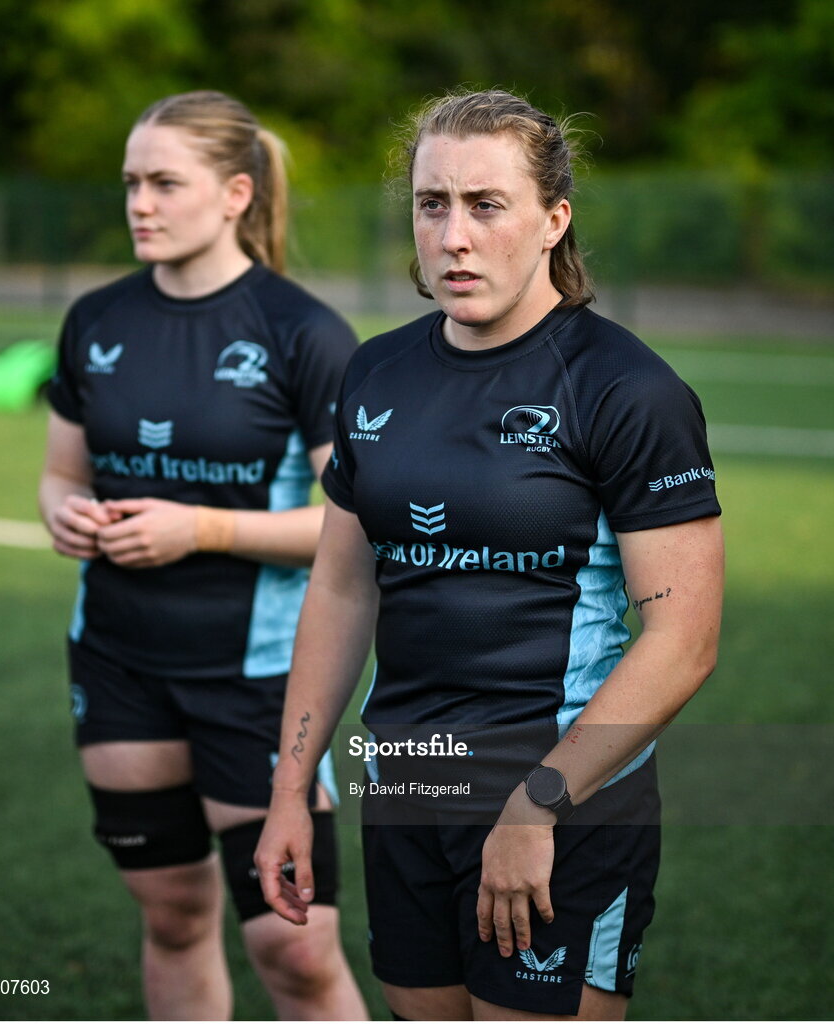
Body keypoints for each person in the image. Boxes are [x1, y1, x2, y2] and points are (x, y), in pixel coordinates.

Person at [255, 88, 724, 1021]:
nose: (454, 236)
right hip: (408, 782)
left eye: (485, 205)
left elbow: (682, 639)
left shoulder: (626, 390)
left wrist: (537, 805)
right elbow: (344, 589)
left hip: (559, 801)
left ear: (553, 220)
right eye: (432, 204)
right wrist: (288, 789)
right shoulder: (376, 371)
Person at [38, 90, 367, 1021]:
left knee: (296, 949)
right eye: (131, 183)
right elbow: (61, 475)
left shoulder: (301, 333)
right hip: (118, 662)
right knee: (175, 916)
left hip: (257, 676)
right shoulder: (95, 319)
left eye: (164, 183)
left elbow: (353, 525)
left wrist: (203, 528)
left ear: (232, 194)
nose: (140, 202)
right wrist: (65, 513)